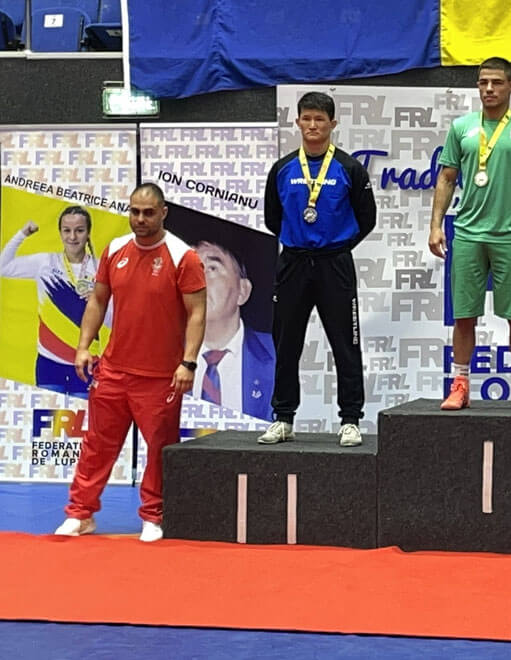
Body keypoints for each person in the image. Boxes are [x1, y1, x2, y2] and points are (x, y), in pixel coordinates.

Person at [54, 183, 206, 542]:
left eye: (148, 212)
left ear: (163, 212)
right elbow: (97, 301)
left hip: (160, 376)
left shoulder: (183, 257)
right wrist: (83, 347)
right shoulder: (115, 250)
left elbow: (197, 314)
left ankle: (153, 515)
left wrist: (188, 363)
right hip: (113, 370)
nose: (140, 219)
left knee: (159, 448)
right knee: (97, 444)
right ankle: (81, 513)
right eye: (135, 211)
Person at [429, 56, 511, 412]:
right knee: (464, 314)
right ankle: (460, 383)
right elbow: (447, 177)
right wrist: (436, 225)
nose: (489, 89)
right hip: (468, 232)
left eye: (497, 82)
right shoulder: (462, 127)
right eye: (483, 82)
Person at [257, 91, 376, 446]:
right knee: (286, 343)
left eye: (319, 119)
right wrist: (300, 242)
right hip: (293, 263)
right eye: (306, 118)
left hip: (334, 264)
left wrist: (336, 247)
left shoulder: (349, 168)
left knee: (346, 343)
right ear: (297, 122)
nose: (312, 125)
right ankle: (283, 418)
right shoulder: (282, 169)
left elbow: (367, 218)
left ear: (332, 124)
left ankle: (350, 420)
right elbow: (272, 218)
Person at [0, 206, 102, 395]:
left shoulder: (101, 268)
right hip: (49, 362)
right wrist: (22, 234)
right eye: (67, 230)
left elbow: (115, 317)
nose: (72, 237)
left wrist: (100, 300)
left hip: (87, 362)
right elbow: (3, 267)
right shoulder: (45, 263)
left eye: (79, 230)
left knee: (83, 415)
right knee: (50, 415)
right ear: (60, 233)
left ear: (88, 233)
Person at [193, 240, 275, 420]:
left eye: (212, 268)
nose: (196, 278)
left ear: (242, 291)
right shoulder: (159, 358)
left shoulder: (279, 355)